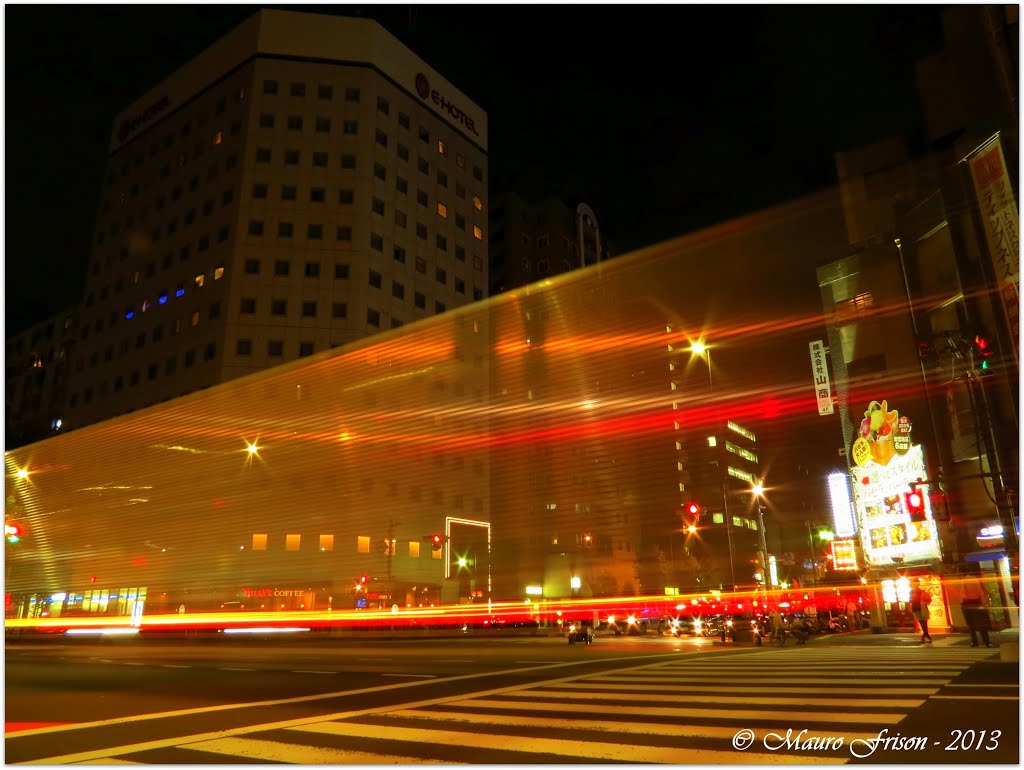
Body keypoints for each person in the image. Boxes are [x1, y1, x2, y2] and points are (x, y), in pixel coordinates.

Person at [960, 574, 993, 648]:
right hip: (977, 602)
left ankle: (975, 642)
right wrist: (984, 602)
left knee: (971, 624)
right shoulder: (977, 580)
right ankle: (986, 642)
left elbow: (963, 593)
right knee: (981, 624)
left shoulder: (965, 580)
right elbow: (984, 592)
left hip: (967, 603)